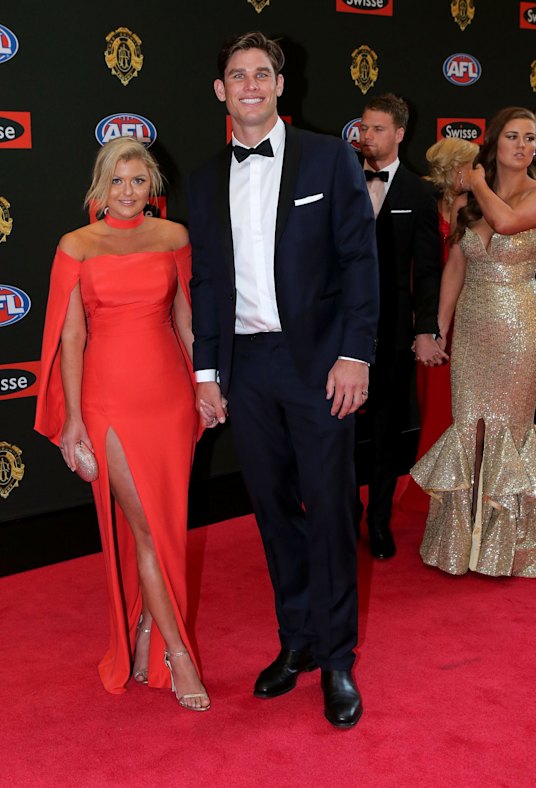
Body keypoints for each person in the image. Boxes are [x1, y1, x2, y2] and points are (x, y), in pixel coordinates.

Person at [188, 31, 379, 729]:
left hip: (321, 364)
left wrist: (356, 355)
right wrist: (208, 373)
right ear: (221, 90)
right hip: (247, 368)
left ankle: (336, 658)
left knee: (329, 511)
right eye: (236, 75)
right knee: (272, 512)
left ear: (279, 85)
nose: (249, 85)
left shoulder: (330, 158)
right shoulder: (205, 179)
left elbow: (361, 262)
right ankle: (295, 641)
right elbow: (205, 283)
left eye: (261, 74)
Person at [34, 137, 211, 710]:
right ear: (100, 185)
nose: (128, 192)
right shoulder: (77, 246)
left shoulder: (175, 237)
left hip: (170, 400)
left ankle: (144, 634)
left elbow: (187, 319)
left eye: (138, 181)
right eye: (117, 180)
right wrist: (73, 421)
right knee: (149, 531)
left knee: (164, 524)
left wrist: (205, 385)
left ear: (152, 186)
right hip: (108, 401)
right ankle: (178, 656)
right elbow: (71, 336)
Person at [411, 107, 536, 576]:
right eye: (513, 136)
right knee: (469, 428)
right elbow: (456, 266)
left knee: (507, 432)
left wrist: (476, 180)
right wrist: (438, 326)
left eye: (531, 138)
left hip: (519, 331)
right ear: (495, 143)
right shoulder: (467, 205)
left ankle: (508, 548)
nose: (523, 146)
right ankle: (460, 546)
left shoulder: (529, 195)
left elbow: (504, 223)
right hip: (473, 333)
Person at [358, 93, 442, 558]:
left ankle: (379, 519)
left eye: (377, 129)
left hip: (392, 327)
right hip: (339, 326)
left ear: (399, 134)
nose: (367, 137)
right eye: (363, 127)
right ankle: (344, 511)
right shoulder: (339, 179)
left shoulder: (420, 192)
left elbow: (427, 269)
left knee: (388, 429)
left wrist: (424, 327)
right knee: (340, 426)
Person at [400, 137, 479, 514]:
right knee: (433, 402)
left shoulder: (482, 206)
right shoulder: (425, 207)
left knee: (468, 405)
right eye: (468, 166)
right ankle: (433, 487)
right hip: (433, 316)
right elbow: (421, 268)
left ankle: (469, 487)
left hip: (479, 315)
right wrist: (425, 320)